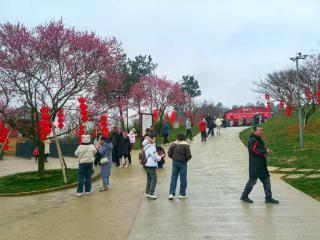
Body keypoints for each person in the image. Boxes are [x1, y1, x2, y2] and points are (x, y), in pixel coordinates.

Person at [240, 126, 279, 204]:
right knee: (252, 181)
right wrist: (265, 152)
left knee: (266, 180)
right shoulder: (252, 140)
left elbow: (259, 152)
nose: (261, 132)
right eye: (259, 130)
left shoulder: (258, 140)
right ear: (255, 131)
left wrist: (265, 154)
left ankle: (268, 198)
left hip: (262, 165)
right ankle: (244, 196)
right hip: (255, 166)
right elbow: (254, 150)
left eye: (261, 130)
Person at [168, 134, 192, 200]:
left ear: (177, 138)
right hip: (183, 163)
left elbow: (169, 153)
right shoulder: (186, 145)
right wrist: (186, 159)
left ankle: (171, 193)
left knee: (173, 178)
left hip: (175, 162)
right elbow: (189, 155)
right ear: (184, 138)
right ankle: (182, 194)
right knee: (183, 178)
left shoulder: (174, 144)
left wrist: (173, 158)